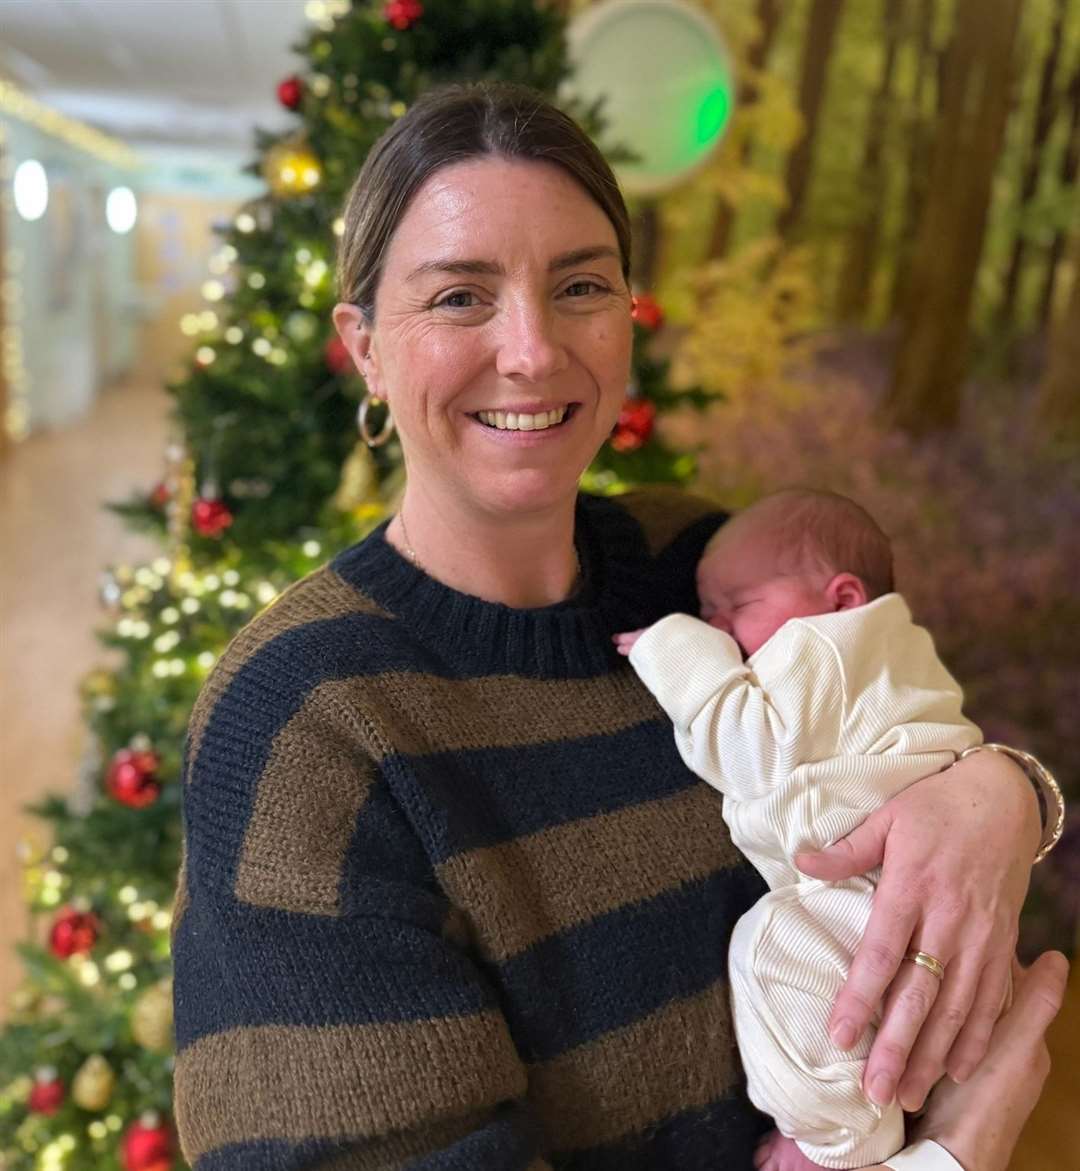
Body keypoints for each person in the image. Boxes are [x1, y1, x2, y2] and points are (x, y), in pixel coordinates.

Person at [170, 81, 1066, 1171]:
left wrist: (1002, 793)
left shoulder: (701, 564)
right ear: (363, 346)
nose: (536, 351)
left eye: (581, 285)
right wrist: (953, 1158)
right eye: (460, 296)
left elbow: (893, 739)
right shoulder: (306, 719)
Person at [615, 487, 994, 1169]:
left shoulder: (825, 649)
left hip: (877, 886)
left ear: (842, 599)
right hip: (905, 884)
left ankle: (839, 1140)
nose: (721, 628)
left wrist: (675, 646)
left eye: (739, 606)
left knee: (771, 947)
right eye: (707, 612)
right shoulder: (883, 655)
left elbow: (751, 749)